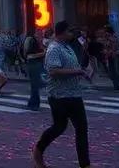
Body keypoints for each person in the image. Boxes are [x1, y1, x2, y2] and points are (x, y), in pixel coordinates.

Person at [32, 21, 93, 168]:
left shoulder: (68, 47)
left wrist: (83, 72)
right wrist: (77, 72)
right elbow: (53, 71)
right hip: (59, 96)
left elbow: (73, 66)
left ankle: (85, 164)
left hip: (74, 94)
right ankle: (38, 149)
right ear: (62, 33)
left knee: (82, 129)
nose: (72, 34)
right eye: (70, 31)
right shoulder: (54, 48)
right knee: (59, 127)